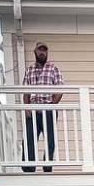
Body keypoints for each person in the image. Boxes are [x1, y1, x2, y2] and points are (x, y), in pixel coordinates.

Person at [21, 40, 64, 173]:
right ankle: (29, 167)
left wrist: (53, 104)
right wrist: (27, 108)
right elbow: (25, 92)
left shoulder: (53, 68)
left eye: (44, 50)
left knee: (50, 140)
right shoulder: (29, 70)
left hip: (48, 108)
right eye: (40, 50)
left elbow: (60, 88)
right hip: (33, 108)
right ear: (35, 52)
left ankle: (47, 166)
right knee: (29, 139)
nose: (42, 53)